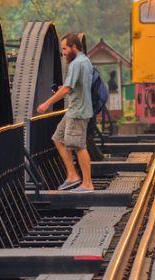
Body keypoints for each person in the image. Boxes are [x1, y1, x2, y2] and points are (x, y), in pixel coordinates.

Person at [37, 32, 96, 192]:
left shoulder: (77, 63)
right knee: (58, 138)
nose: (62, 53)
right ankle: (72, 176)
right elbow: (75, 87)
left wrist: (47, 103)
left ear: (74, 47)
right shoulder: (86, 61)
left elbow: (68, 88)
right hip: (75, 109)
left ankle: (87, 184)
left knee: (78, 146)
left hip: (78, 112)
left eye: (64, 49)